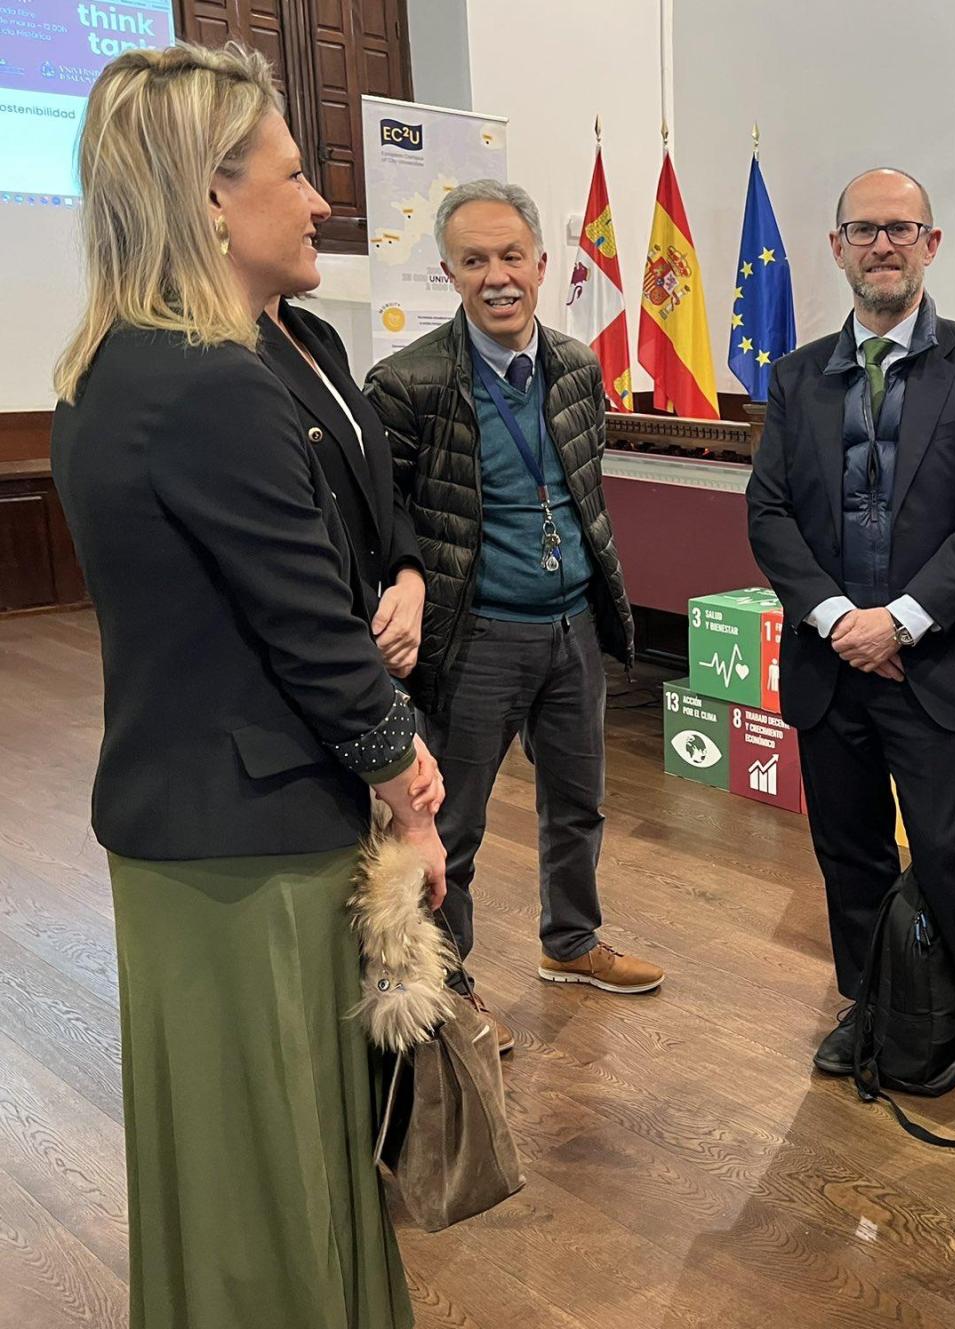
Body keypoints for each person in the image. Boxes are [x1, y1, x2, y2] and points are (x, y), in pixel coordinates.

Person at [48, 43, 447, 1328]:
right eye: (291, 171)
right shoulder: (211, 382)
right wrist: (410, 786)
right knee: (267, 1170)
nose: (321, 197)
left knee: (240, 1156)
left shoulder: (118, 369)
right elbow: (307, 633)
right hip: (250, 832)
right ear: (210, 196)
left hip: (196, 821)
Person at [747, 168, 955, 1129]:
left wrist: (900, 619)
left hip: (935, 661)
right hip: (833, 664)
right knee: (849, 849)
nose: (883, 245)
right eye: (864, 230)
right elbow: (771, 512)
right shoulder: (791, 379)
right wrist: (837, 618)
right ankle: (871, 1001)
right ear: (837, 247)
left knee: (952, 850)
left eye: (901, 229)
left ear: (932, 243)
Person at [366, 179, 656, 1055]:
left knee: (580, 803)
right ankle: (448, 987)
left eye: (511, 257)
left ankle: (570, 943)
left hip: (571, 627)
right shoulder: (405, 383)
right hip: (474, 637)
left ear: (541, 263)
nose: (497, 277)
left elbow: (578, 491)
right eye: (474, 261)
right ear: (449, 272)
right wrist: (409, 582)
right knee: (452, 823)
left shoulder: (576, 364)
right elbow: (385, 523)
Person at [259, 289, 425, 658]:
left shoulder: (318, 335)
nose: (319, 225)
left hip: (372, 625)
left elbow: (374, 478)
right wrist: (374, 616)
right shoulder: (225, 352)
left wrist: (409, 574)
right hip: (325, 640)